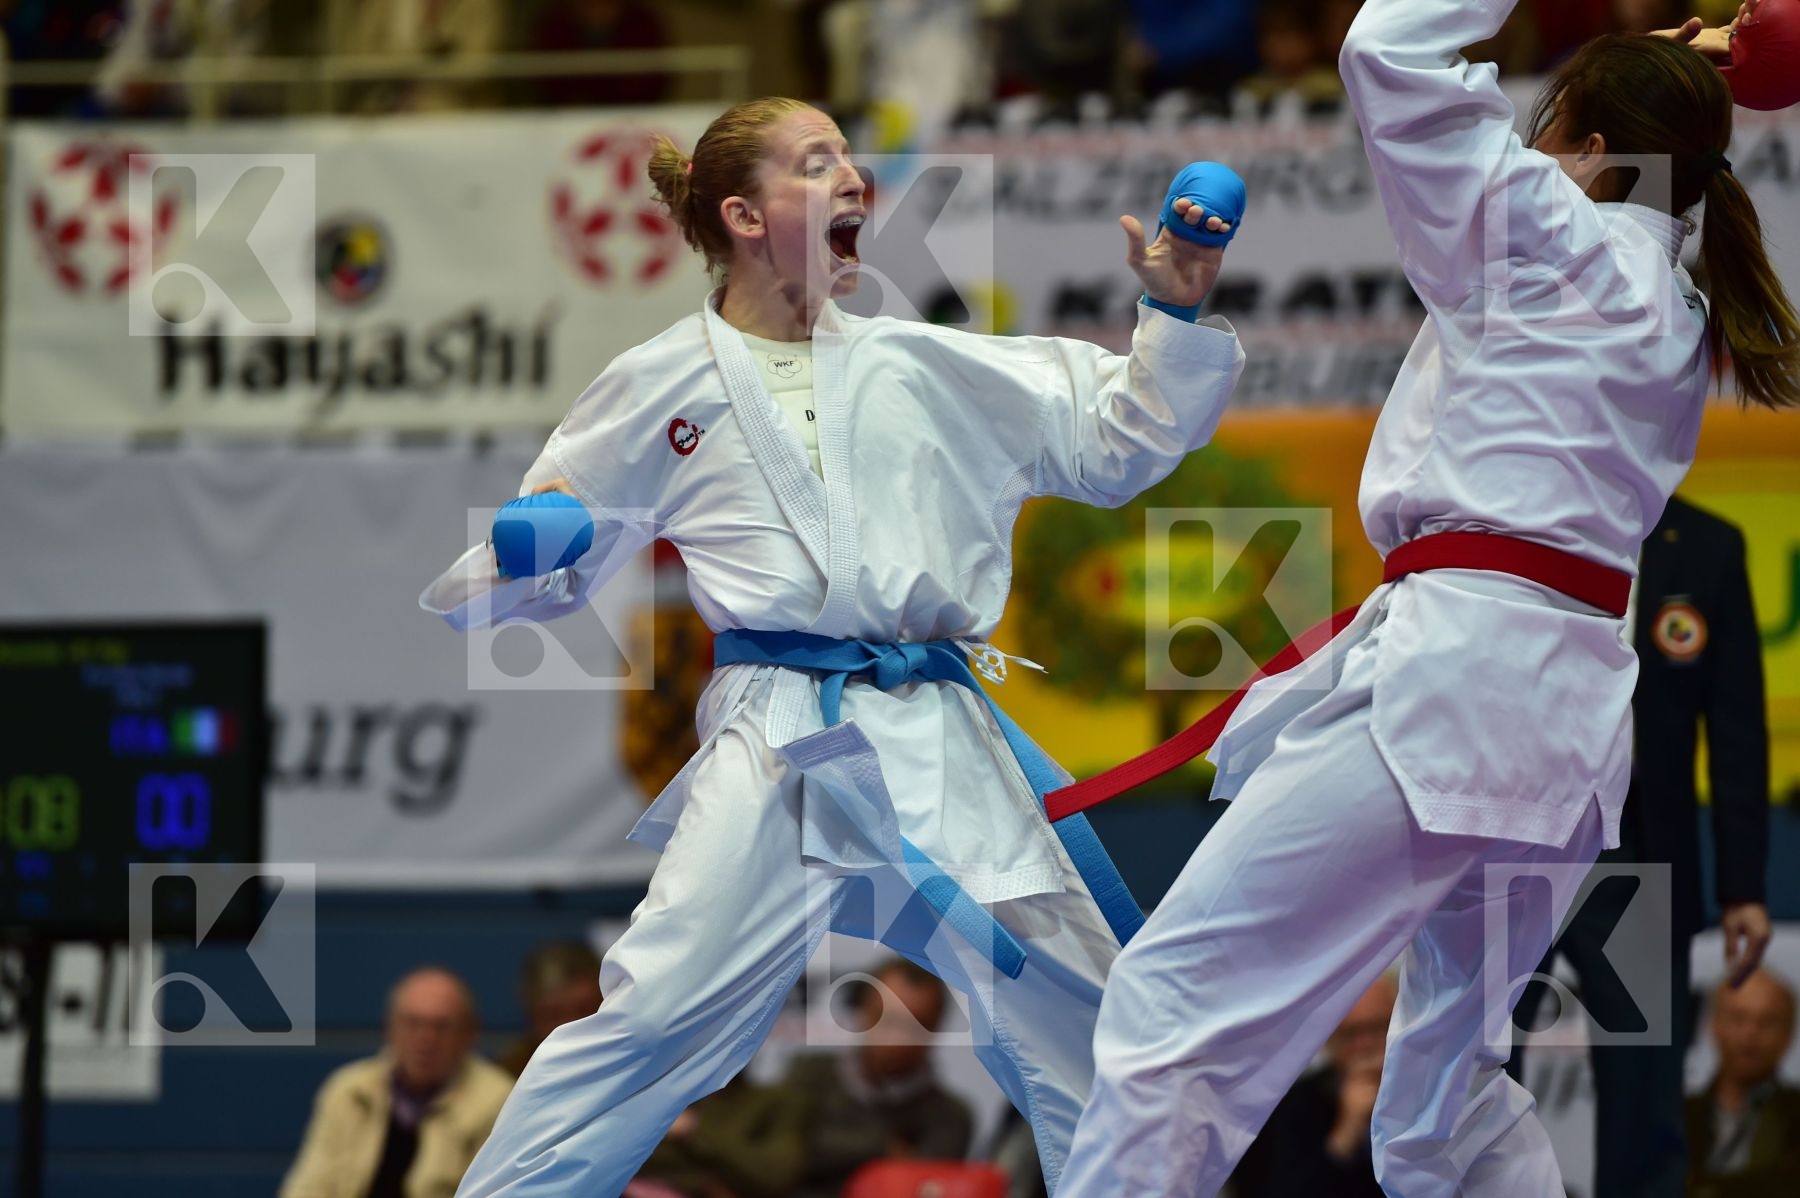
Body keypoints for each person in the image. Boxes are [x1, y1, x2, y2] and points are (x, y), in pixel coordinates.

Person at [420, 96, 1248, 1195]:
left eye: (853, 162)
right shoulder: (659, 381)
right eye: (819, 166)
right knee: (656, 1013)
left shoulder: (921, 365)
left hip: (936, 730)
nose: (857, 181)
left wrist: (1174, 323)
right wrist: (529, 555)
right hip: (778, 738)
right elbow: (533, 560)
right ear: (745, 215)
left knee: (1086, 1011)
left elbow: (1117, 441)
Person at [1057, 0, 1800, 1195]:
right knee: (1438, 1107)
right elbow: (1644, 149)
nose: (1528, 146)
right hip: (1563, 745)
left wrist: (1658, 61)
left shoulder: (1550, 235)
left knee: (1178, 1006)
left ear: (1592, 152)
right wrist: (1691, 55)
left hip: (1454, 691)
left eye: (1547, 125)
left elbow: (1385, 50)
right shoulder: (1674, 299)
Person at [1508, 492, 1771, 1198]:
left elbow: (1737, 723)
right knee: (1471, 1074)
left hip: (1638, 848)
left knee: (1643, 1102)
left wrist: (1743, 886)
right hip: (1512, 846)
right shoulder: (1518, 515)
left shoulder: (1707, 546)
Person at [281, 967, 514, 1198]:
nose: (426, 1039)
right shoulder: (349, 1090)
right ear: (389, 1028)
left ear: (469, 1034)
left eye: (441, 1027)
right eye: (412, 1023)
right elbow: (308, 1186)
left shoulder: (498, 1102)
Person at [782, 958, 976, 1198]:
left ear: (937, 1026)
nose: (898, 1039)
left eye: (916, 1025)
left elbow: (921, 1182)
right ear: (864, 1009)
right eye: (888, 1019)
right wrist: (884, 1147)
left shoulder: (949, 1116)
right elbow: (785, 1157)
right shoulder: (810, 1076)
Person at [1229, 974, 1397, 1198]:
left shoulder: (1431, 1092)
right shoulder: (1293, 1105)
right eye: (1351, 1034)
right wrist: (1344, 1136)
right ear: (1330, 1039)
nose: (1365, 1045)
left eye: (1376, 1028)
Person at [1686, 969, 1800, 1196]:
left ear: (1788, 1034)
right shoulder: (1677, 1118)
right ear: (1713, 1025)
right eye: (1738, 1018)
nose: (1750, 1034)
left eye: (1767, 1022)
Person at [496, 940, 605, 1077]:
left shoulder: (634, 1071)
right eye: (553, 1015)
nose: (569, 1027)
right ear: (531, 1017)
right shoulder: (505, 1082)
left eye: (585, 1011)